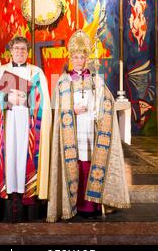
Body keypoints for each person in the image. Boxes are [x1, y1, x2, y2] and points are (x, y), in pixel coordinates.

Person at [47, 29, 131, 222]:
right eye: (75, 57)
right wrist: (71, 110)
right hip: (73, 130)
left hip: (91, 130)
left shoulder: (96, 79)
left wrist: (98, 110)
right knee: (75, 164)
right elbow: (57, 109)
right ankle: (73, 204)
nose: (78, 61)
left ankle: (91, 205)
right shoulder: (63, 81)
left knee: (90, 164)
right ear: (71, 58)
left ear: (86, 58)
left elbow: (107, 100)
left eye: (82, 57)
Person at [0, 36, 52, 222]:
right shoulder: (1, 72)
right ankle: (8, 202)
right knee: (9, 160)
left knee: (26, 159)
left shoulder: (37, 72)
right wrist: (7, 100)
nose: (20, 52)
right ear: (10, 51)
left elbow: (45, 104)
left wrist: (27, 100)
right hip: (7, 127)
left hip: (29, 127)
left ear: (28, 52)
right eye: (16, 49)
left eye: (23, 49)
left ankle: (30, 205)